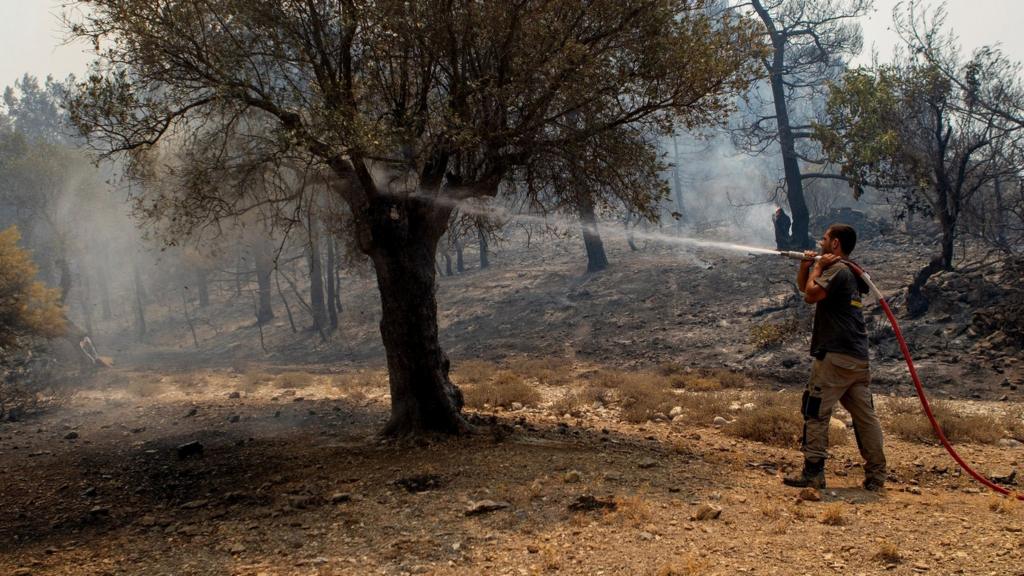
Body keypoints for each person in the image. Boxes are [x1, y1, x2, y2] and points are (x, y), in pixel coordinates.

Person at [783, 223, 887, 491]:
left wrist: (816, 269)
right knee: (866, 417)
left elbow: (811, 296)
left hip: (836, 357)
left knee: (815, 411)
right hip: (857, 358)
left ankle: (813, 474)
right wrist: (806, 266)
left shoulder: (839, 270)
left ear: (836, 244)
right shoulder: (848, 271)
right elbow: (806, 288)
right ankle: (876, 476)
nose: (821, 242)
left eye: (825, 238)